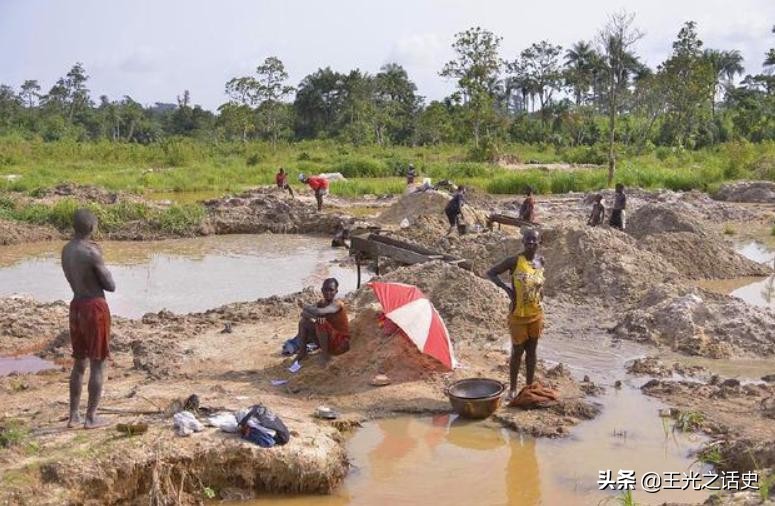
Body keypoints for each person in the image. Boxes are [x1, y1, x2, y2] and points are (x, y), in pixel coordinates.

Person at [61, 209, 116, 429]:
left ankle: (73, 416)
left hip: (76, 305)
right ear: (92, 228)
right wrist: (101, 258)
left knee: (79, 362)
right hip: (94, 307)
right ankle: (91, 418)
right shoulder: (92, 252)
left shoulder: (66, 249)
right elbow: (110, 286)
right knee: (98, 362)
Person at [486, 229, 545, 400]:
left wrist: (541, 296)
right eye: (528, 240)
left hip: (536, 314)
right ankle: (512, 388)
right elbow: (491, 273)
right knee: (517, 351)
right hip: (518, 315)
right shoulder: (514, 261)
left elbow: (540, 283)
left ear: (539, 242)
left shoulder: (541, 261)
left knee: (532, 352)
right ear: (523, 242)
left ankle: (528, 386)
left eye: (534, 240)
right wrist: (507, 289)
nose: (531, 243)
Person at [296, 278, 350, 363]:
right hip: (327, 340)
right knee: (303, 322)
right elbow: (304, 314)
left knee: (321, 323)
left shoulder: (337, 304)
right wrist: (316, 316)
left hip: (340, 343)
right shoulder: (321, 302)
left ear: (336, 291)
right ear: (322, 290)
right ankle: (302, 352)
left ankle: (325, 356)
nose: (328, 293)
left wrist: (304, 306)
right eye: (325, 290)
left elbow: (318, 311)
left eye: (331, 290)